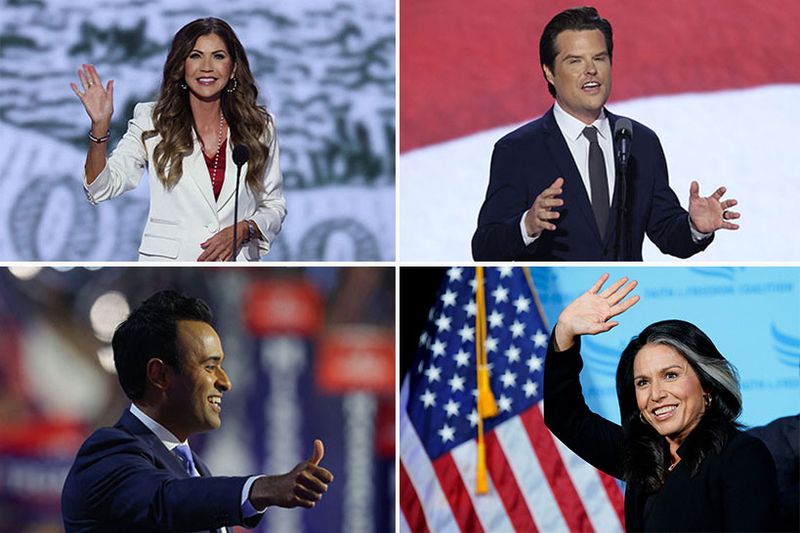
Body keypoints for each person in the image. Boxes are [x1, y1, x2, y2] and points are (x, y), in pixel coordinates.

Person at [472, 7, 740, 261]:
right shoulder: (518, 150)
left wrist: (695, 227)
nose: (591, 70)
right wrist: (527, 225)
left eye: (599, 58)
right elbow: (484, 247)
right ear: (549, 72)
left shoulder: (641, 142)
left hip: (626, 297)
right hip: (557, 300)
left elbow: (667, 233)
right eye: (575, 61)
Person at [61, 290, 333, 532]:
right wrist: (262, 488)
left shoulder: (196, 469)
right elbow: (166, 501)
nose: (225, 382)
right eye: (209, 366)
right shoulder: (106, 454)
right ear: (160, 375)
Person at [544, 274, 779, 530]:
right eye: (643, 382)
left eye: (670, 375)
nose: (656, 394)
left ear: (707, 384)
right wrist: (564, 332)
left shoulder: (740, 456)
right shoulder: (643, 457)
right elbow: (564, 416)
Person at [71, 18, 286, 261]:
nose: (207, 67)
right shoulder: (152, 120)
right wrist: (100, 128)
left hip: (234, 265)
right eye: (195, 55)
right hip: (167, 263)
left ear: (234, 67)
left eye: (218, 56)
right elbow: (101, 188)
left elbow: (274, 206)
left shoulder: (260, 126)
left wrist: (246, 229)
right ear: (181, 66)